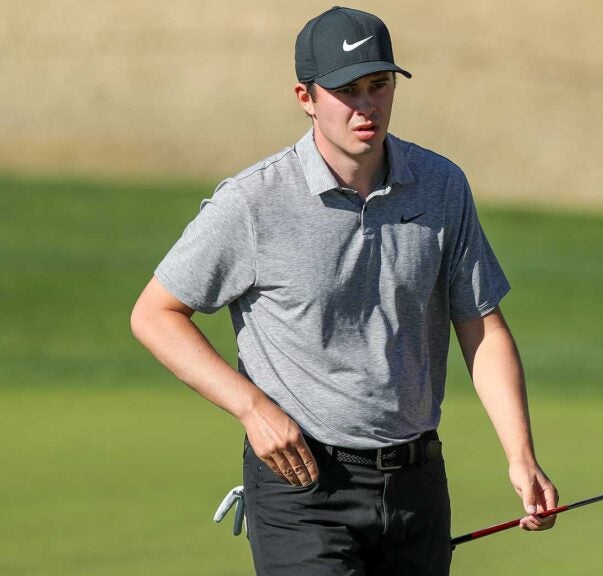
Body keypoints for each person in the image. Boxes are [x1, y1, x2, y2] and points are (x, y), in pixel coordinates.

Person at [130, 6, 558, 575]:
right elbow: (155, 313)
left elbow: (481, 325)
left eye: (378, 85)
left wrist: (520, 455)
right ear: (305, 96)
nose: (367, 105)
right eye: (346, 89)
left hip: (416, 480)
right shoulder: (253, 202)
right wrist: (251, 407)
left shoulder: (441, 185)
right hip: (303, 483)